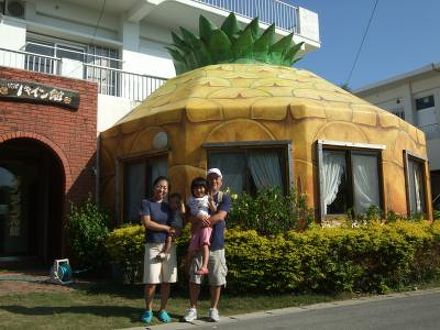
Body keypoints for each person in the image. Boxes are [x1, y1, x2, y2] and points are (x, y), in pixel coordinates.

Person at [183, 168, 232, 323]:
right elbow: (188, 217)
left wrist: (205, 221)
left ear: (221, 181)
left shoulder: (224, 198)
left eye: (216, 178)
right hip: (198, 244)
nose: (213, 181)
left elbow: (220, 216)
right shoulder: (197, 196)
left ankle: (213, 309)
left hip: (216, 244)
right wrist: (196, 218)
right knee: (194, 278)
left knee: (216, 279)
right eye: (210, 178)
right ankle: (192, 309)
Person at [139, 176, 177, 324]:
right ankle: (148, 310)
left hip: (168, 247)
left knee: (166, 281)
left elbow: (176, 224)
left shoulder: (169, 206)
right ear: (154, 187)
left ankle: (162, 310)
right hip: (153, 246)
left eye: (165, 188)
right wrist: (166, 228)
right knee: (151, 282)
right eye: (160, 186)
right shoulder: (146, 203)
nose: (162, 189)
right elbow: (147, 223)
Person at [187, 177, 217, 275]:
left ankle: (204, 266)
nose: (199, 190)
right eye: (196, 188)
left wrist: (211, 201)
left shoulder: (207, 198)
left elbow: (214, 210)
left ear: (206, 188)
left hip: (205, 226)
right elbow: (188, 215)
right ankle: (186, 266)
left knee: (204, 244)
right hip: (196, 227)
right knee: (191, 248)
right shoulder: (190, 199)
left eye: (201, 187)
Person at [155, 192, 185, 261]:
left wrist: (182, 203)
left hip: (177, 228)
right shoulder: (170, 211)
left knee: (169, 238)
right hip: (171, 227)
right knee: (168, 238)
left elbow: (183, 212)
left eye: (176, 202)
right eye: (172, 203)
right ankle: (165, 251)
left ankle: (165, 253)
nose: (174, 205)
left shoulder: (179, 211)